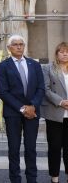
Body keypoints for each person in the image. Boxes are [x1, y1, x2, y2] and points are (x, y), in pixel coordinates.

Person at [0, 34, 44, 183]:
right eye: (15, 44)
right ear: (9, 48)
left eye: (21, 44)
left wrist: (32, 106)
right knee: (14, 149)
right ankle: (15, 179)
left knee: (31, 149)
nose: (19, 47)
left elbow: (41, 88)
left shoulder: (34, 64)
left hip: (33, 112)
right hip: (13, 113)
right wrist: (22, 108)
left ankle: (32, 179)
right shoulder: (3, 66)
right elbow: (3, 92)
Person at [40, 42, 68, 183]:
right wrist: (61, 102)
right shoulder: (48, 68)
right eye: (62, 51)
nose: (65, 54)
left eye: (67, 51)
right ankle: (55, 178)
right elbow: (45, 89)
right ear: (56, 53)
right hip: (55, 114)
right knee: (55, 147)